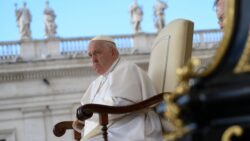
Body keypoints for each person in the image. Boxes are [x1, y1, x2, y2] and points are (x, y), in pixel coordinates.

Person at [72, 35, 163, 141]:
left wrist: (88, 117)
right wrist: (82, 121)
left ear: (113, 52)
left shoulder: (127, 69)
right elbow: (87, 107)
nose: (93, 60)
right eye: (90, 55)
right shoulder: (97, 82)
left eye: (97, 53)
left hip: (132, 126)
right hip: (113, 128)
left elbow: (121, 103)